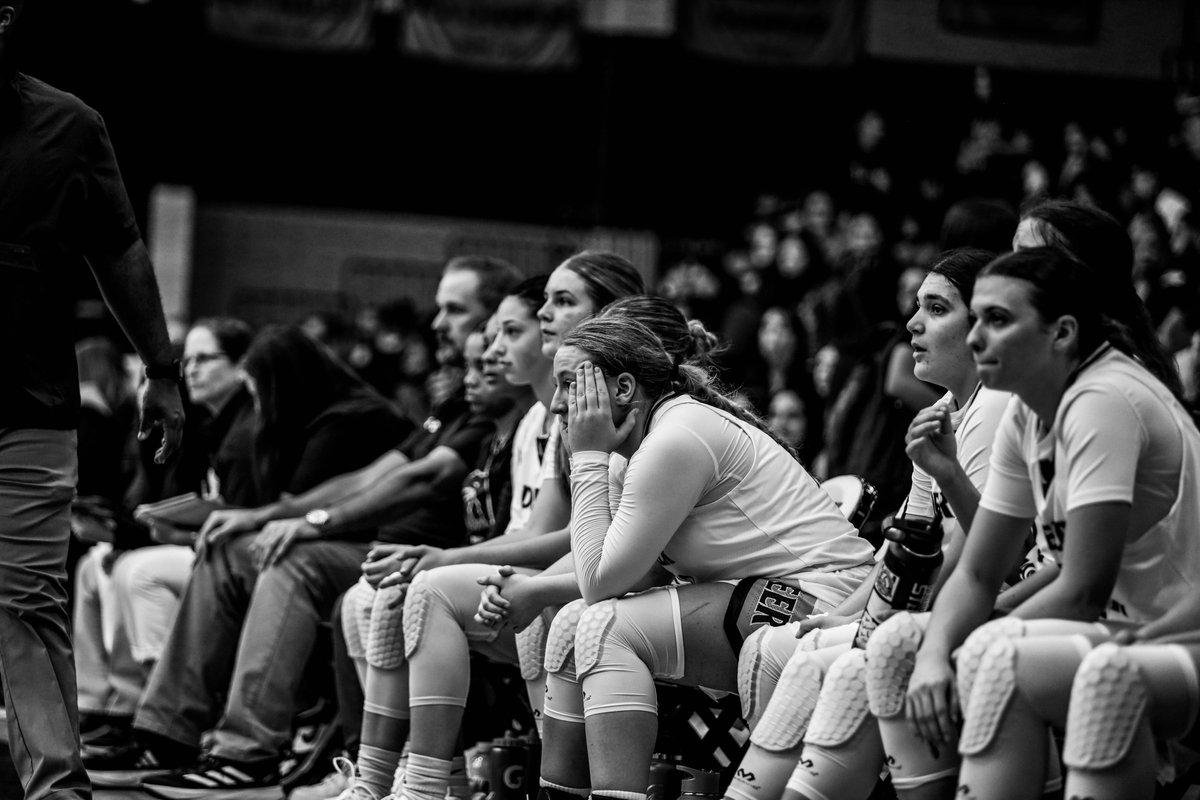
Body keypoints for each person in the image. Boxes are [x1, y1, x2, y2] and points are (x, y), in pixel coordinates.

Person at [795, 245, 1200, 800]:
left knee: (1000, 655)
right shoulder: (1025, 411)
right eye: (977, 318)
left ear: (1060, 333)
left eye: (998, 320)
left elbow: (1081, 589)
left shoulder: (1102, 399)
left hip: (1172, 636)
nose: (978, 337)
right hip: (1107, 630)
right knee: (899, 648)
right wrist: (936, 652)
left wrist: (962, 643)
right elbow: (984, 570)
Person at [319, 255, 645, 800]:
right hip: (592, 576)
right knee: (379, 596)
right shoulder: (544, 420)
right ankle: (389, 780)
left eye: (562, 303)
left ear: (609, 317)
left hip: (643, 590)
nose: (545, 314)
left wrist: (450, 561)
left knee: (430, 592)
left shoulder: (625, 418)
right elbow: (548, 532)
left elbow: (605, 544)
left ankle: (436, 785)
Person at [534, 314, 876, 800]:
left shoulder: (676, 436)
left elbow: (599, 581)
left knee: (604, 627)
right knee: (572, 627)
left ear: (625, 387)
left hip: (824, 597)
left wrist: (586, 459)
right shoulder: (638, 445)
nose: (555, 404)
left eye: (571, 384)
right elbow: (629, 571)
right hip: (753, 596)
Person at [724, 248, 1016, 800]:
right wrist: (839, 615)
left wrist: (862, 627)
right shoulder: (950, 407)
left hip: (981, 612)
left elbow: (962, 558)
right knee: (779, 643)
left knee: (804, 656)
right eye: (917, 305)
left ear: (984, 325)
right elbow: (904, 549)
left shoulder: (997, 410)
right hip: (931, 606)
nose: (912, 322)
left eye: (936, 307)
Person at [86, 326, 414, 797]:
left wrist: (259, 518)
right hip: (345, 545)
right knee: (224, 548)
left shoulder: (352, 417)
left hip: (385, 549)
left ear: (283, 380)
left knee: (279, 556)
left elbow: (305, 504)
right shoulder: (283, 421)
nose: (255, 397)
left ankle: (245, 749)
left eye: (258, 386)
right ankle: (164, 731)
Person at [0, 3, 185, 798]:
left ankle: (56, 786)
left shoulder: (69, 125)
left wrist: (162, 368)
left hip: (29, 406)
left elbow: (116, 245)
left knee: (27, 599)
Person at [74, 318, 255, 752]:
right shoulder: (192, 424)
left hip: (228, 550)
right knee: (93, 564)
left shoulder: (241, 423)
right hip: (197, 543)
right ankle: (104, 703)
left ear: (241, 365)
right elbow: (163, 500)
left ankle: (159, 714)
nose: (191, 371)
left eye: (203, 359)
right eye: (185, 361)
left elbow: (236, 507)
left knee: (139, 571)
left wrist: (148, 534)